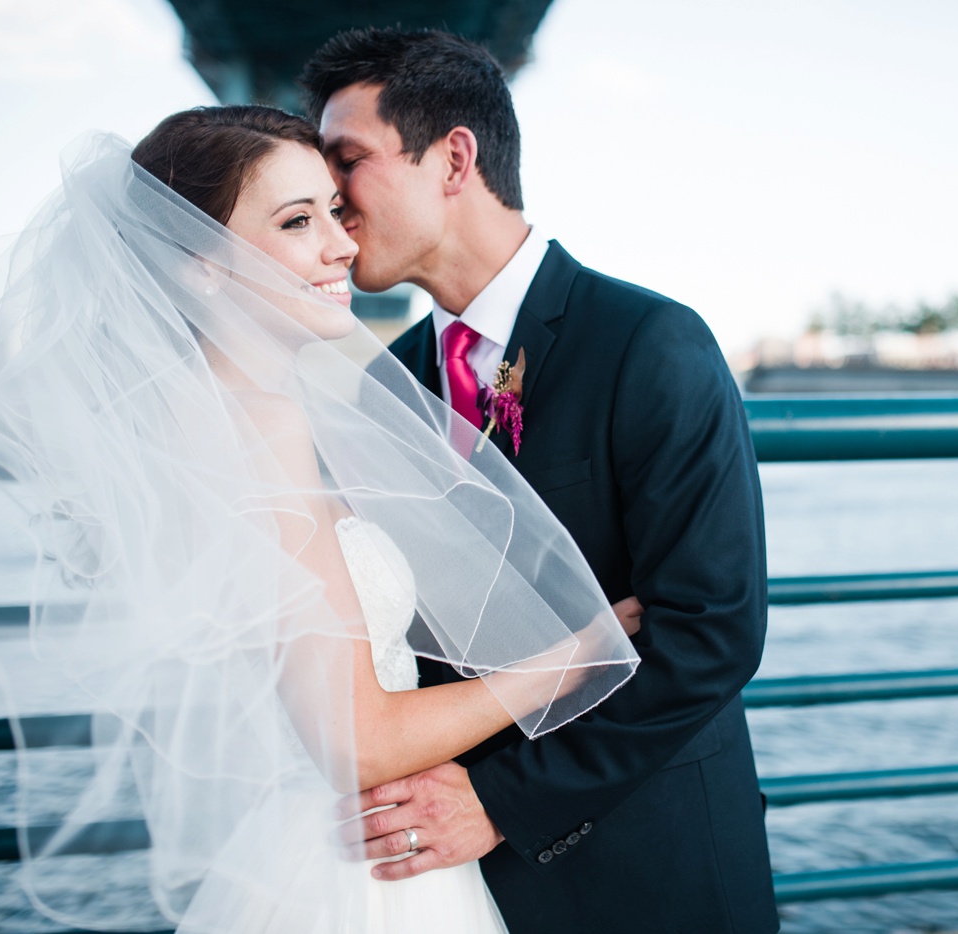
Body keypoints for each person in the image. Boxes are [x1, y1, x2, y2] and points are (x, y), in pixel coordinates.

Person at [0, 106, 639, 933]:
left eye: (332, 208)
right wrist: (578, 654)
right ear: (195, 265)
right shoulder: (264, 426)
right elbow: (360, 743)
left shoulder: (205, 416)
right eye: (297, 220)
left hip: (293, 852)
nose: (342, 243)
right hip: (355, 874)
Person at [301, 28, 779, 934]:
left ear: (453, 157)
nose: (331, 198)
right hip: (452, 877)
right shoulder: (379, 384)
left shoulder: (650, 343)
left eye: (348, 160)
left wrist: (499, 803)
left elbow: (711, 634)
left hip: (649, 858)